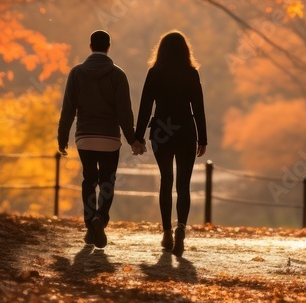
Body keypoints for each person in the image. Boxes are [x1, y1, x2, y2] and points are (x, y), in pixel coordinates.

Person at [58, 30, 145, 249]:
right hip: (109, 138)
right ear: (109, 47)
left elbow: (68, 109)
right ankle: (100, 219)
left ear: (90, 47)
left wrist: (62, 137)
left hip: (85, 137)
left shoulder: (76, 73)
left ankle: (89, 224)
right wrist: (132, 139)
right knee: (107, 181)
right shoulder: (118, 75)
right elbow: (124, 112)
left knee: (89, 180)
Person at [135, 31, 207, 256]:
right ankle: (181, 229)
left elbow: (145, 105)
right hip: (186, 131)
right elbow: (198, 107)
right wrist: (203, 138)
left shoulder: (155, 72)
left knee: (166, 180)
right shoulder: (191, 73)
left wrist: (138, 136)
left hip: (161, 132)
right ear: (186, 51)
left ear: (161, 50)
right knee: (183, 184)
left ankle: (166, 232)